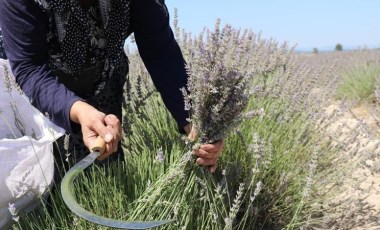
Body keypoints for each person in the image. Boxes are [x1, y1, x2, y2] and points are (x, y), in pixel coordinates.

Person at [0, 0, 224, 174]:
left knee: (104, 164)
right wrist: (77, 110)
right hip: (31, 87)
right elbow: (30, 69)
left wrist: (194, 121)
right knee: (40, 172)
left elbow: (162, 54)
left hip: (102, 72)